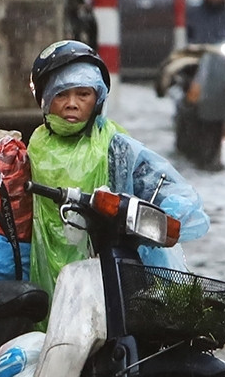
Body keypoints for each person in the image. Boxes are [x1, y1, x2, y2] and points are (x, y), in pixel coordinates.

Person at [26, 40, 211, 293]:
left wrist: (170, 212)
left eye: (83, 94)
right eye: (61, 94)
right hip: (46, 268)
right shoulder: (30, 150)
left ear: (98, 98)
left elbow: (163, 185)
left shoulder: (117, 147)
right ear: (45, 98)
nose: (72, 103)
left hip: (108, 268)